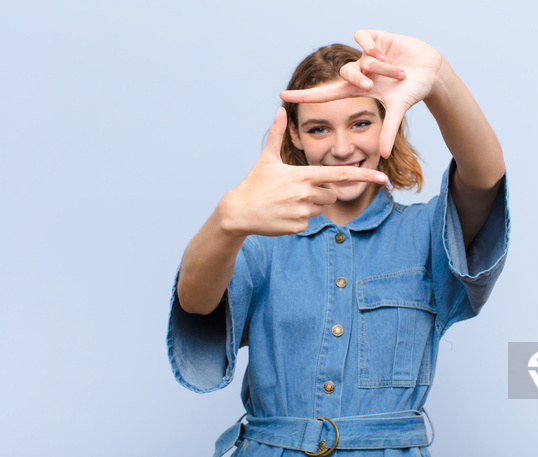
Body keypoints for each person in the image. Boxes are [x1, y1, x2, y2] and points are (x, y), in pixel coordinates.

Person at [168, 30, 510, 456]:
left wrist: (439, 79)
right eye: (318, 129)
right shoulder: (261, 245)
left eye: (361, 123)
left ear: (389, 120)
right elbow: (196, 303)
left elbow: (484, 179)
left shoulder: (425, 234)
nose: (342, 148)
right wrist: (224, 223)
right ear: (294, 136)